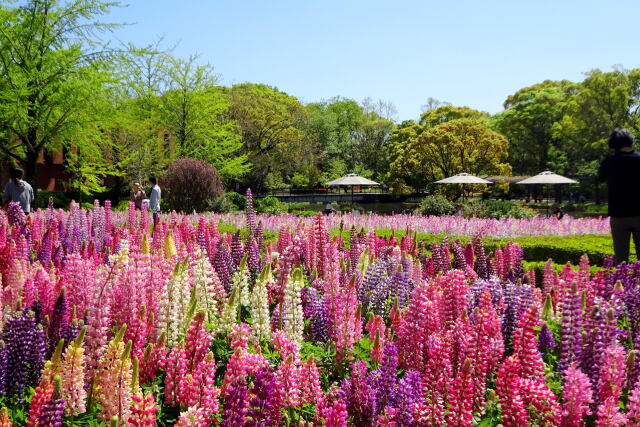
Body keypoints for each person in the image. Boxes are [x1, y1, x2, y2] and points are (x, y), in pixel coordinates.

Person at [598, 128, 640, 265]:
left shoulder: (609, 161)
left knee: (621, 258)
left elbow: (600, 178)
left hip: (618, 214)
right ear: (631, 141)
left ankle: (622, 284)